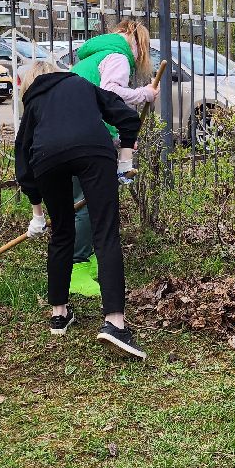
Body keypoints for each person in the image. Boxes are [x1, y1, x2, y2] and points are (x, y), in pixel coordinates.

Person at [14, 59, 144, 356]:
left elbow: (23, 161)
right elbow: (127, 116)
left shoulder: (33, 102)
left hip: (47, 159)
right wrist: (125, 159)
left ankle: (59, 314)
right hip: (93, 152)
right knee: (105, 234)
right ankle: (114, 323)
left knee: (61, 233)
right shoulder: (80, 84)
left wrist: (37, 215)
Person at [28, 21, 160, 292]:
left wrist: (120, 141)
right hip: (85, 144)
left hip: (65, 139)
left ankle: (87, 260)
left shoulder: (93, 58)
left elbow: (98, 103)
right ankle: (76, 269)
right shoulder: (118, 57)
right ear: (137, 43)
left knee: (79, 203)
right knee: (85, 205)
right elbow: (110, 94)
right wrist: (144, 94)